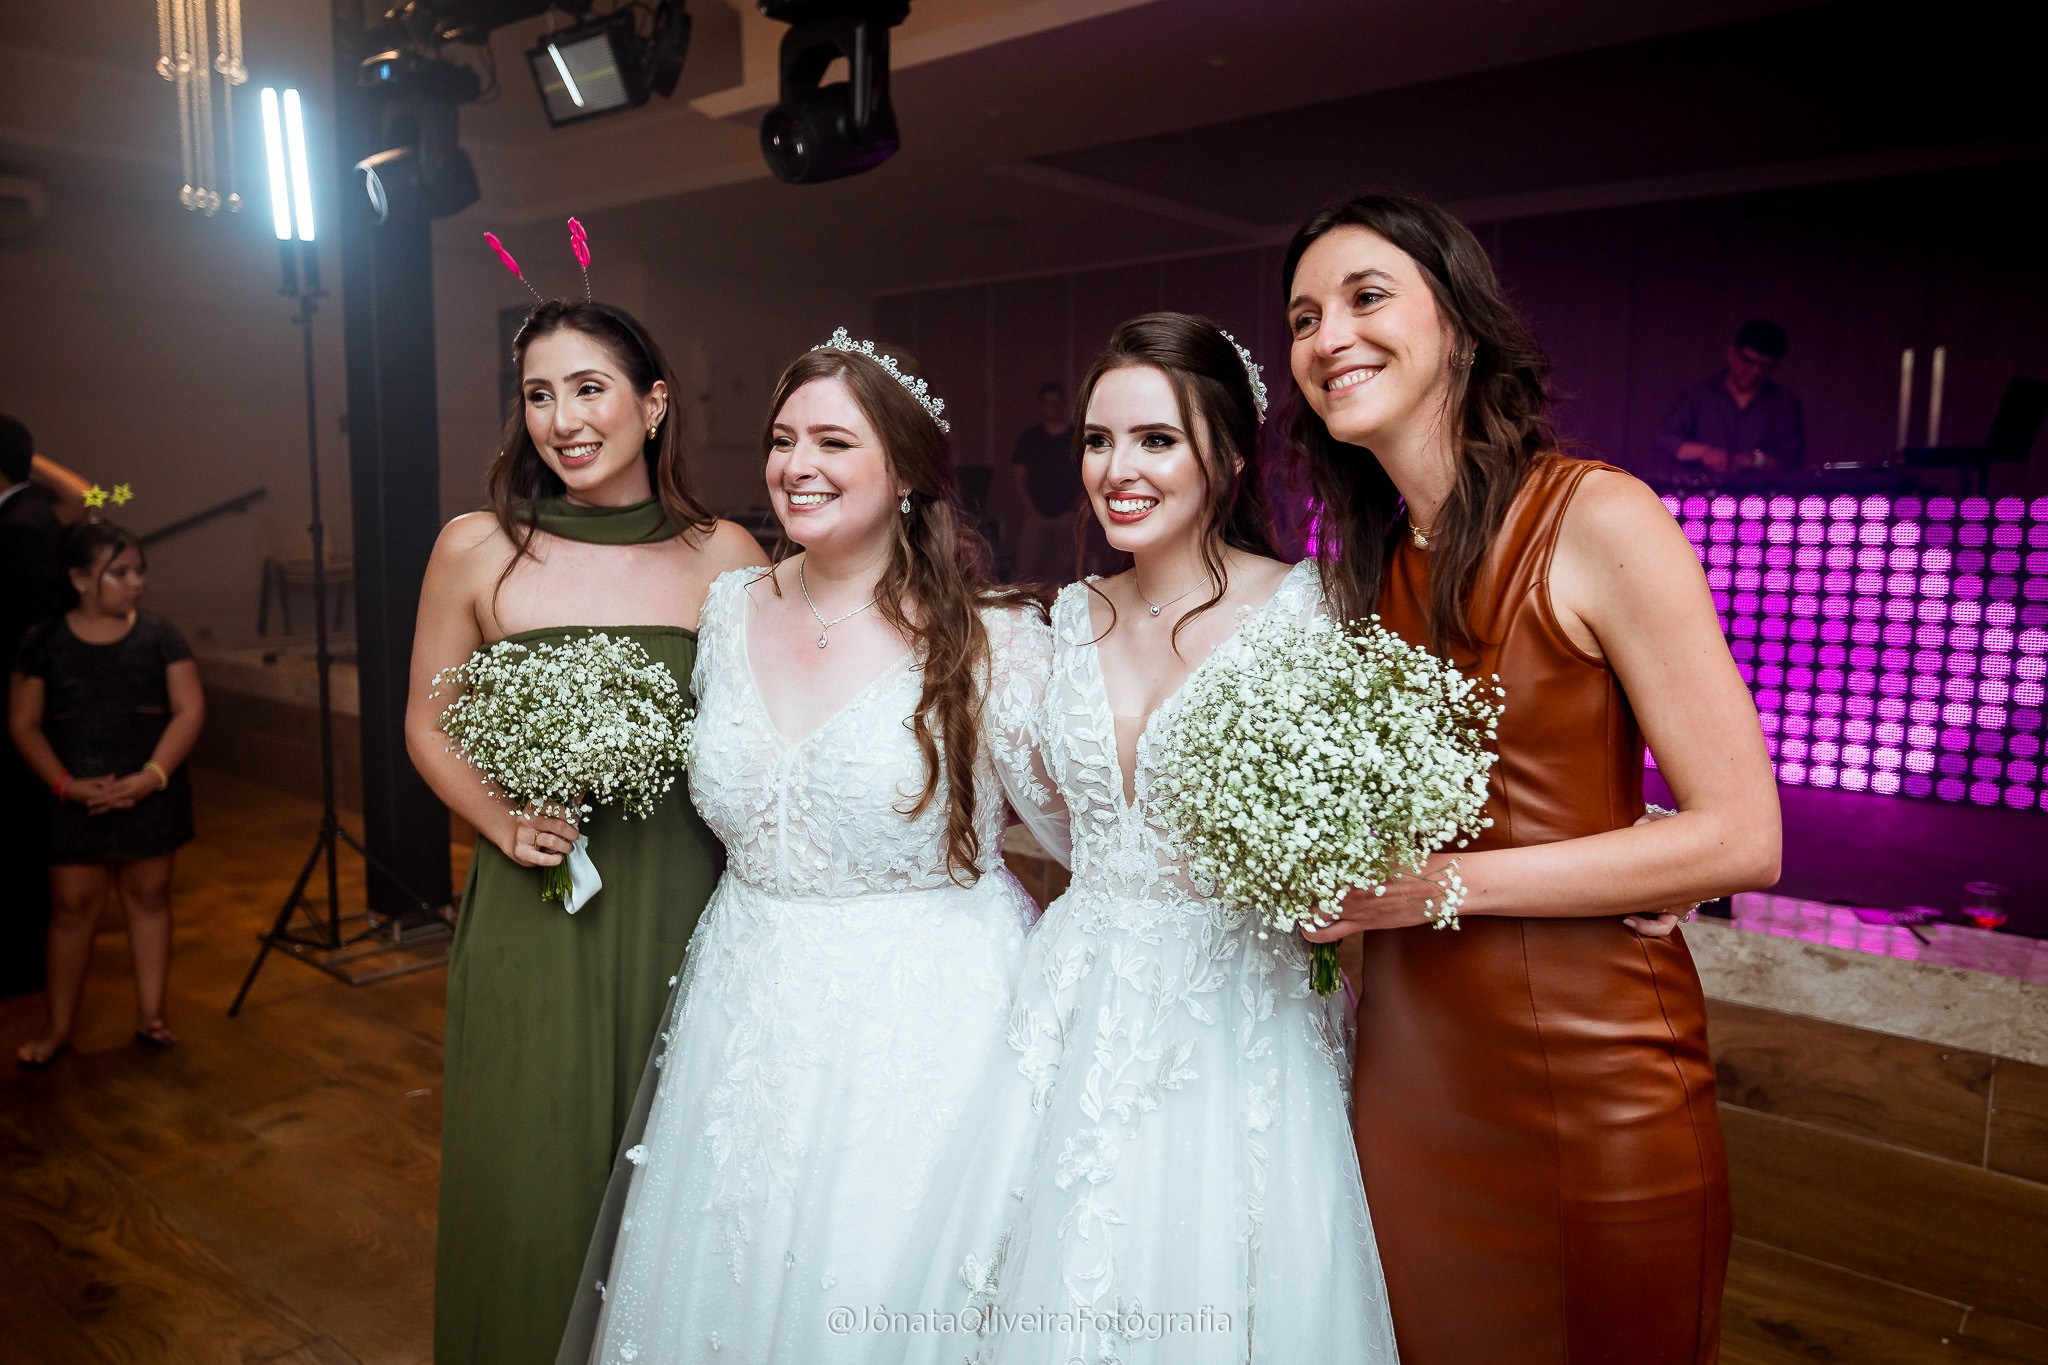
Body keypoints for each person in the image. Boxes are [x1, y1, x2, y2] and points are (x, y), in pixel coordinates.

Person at [1284, 191, 1781, 1364]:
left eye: (1364, 298)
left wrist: (1435, 885)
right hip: (1406, 1083)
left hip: (1591, 1075)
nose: (1326, 337)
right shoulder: (1355, 573)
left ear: (1457, 323)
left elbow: (1740, 838)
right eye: (1302, 318)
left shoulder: (1595, 515)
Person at [561, 331, 1062, 1365]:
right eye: (782, 440)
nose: (797, 466)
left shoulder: (992, 637)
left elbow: (1079, 834)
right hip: (746, 1007)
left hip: (928, 1022)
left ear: (909, 471)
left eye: (833, 441)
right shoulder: (729, 606)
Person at [907, 313, 1399, 1365]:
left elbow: (1360, 812)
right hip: (1073, 989)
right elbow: (1050, 819)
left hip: (1235, 1008)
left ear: (1225, 456)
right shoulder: (1064, 615)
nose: (1116, 470)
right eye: (1097, 440)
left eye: (1154, 440)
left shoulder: (1309, 615)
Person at [406, 297, 766, 1365]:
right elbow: (429, 723)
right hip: (535, 907)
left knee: (668, 1159)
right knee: (534, 1153)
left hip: (678, 904)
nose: (562, 418)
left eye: (589, 387)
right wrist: (500, 820)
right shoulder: (477, 548)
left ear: (653, 406)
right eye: (537, 394)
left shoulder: (725, 555)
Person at [10, 520, 204, 1067]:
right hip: (74, 796)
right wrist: (67, 786)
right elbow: (24, 724)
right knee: (72, 907)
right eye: (119, 573)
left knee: (149, 897)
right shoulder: (43, 642)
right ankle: (57, 1028)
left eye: (140, 570)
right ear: (78, 578)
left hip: (152, 789)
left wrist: (151, 777)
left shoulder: (161, 635)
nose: (136, 582)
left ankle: (151, 1016)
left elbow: (189, 710)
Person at [0, 414, 64, 998]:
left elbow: (99, 492)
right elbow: (86, 490)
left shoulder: (22, 519)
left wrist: (24, 461)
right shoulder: (41, 509)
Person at [1654, 318, 1806, 477]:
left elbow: (1794, 461)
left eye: (1765, 365)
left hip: (1758, 496)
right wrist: (1704, 452)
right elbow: (1663, 440)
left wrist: (1755, 460)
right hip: (1702, 495)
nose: (1755, 372)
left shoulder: (1785, 404)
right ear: (1732, 353)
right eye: (1749, 361)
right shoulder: (1699, 395)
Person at [1009, 379, 1083, 581]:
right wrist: (1030, 509)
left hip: (1067, 515)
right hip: (1036, 513)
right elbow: (1019, 476)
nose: (1053, 408)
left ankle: (1060, 609)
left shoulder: (1075, 438)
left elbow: (1088, 475)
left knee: (1066, 569)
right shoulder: (1030, 438)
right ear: (1041, 406)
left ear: (1065, 404)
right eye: (1048, 403)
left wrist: (1075, 507)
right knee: (1026, 568)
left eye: (1057, 402)